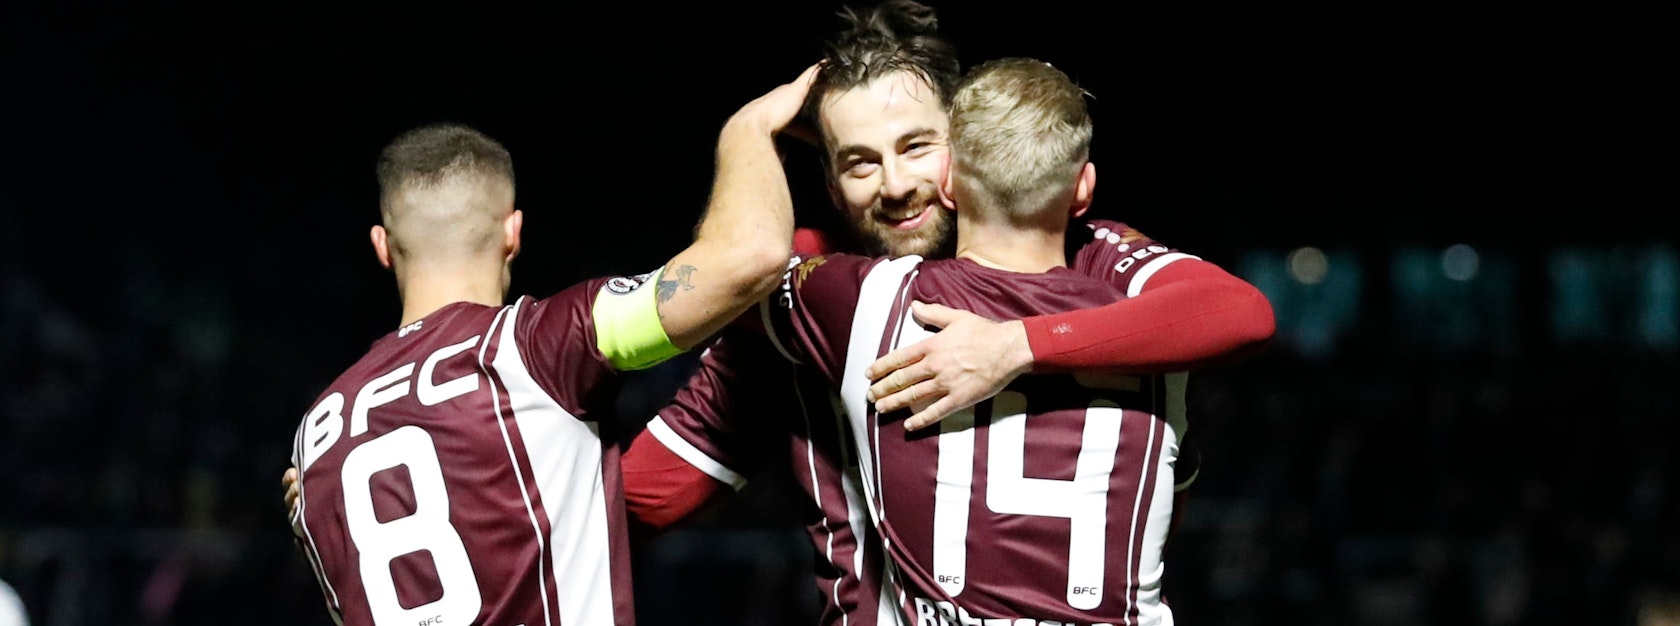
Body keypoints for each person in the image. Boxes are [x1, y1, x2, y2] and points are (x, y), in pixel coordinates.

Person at [281, 1, 1274, 622]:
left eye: (914, 146)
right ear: (828, 180)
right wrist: (430, 486)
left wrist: (1013, 345)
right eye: (857, 161)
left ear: (965, 146)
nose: (893, 184)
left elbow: (1232, 312)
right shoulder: (803, 318)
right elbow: (644, 497)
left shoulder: (826, 294)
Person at [283, 63, 817, 626]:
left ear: (382, 246)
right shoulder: (529, 347)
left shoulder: (314, 439)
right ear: (512, 232)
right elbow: (751, 256)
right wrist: (748, 129)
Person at [764, 54, 1212, 624]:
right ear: (1084, 189)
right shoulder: (1159, 338)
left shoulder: (868, 303)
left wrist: (750, 131)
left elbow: (745, 261)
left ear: (949, 182)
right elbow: (1169, 508)